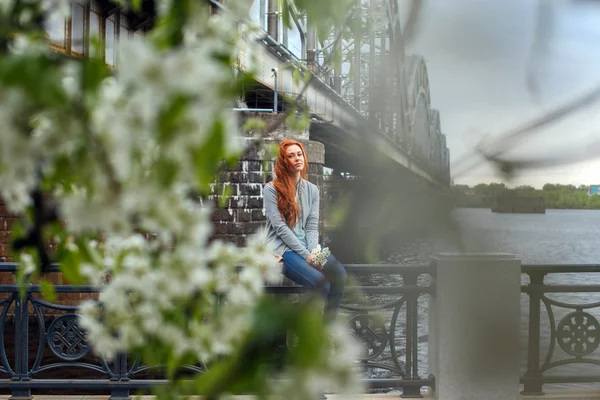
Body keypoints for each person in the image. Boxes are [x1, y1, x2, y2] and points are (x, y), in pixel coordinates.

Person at [264, 139, 347, 322]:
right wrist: (307, 256)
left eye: (299, 154)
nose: (297, 158)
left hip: (308, 246)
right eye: (291, 156)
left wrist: (312, 251)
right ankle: (299, 326)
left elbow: (311, 225)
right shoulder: (271, 189)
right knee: (320, 284)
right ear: (284, 161)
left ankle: (327, 331)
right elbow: (280, 228)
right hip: (283, 249)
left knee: (339, 274)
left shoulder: (312, 190)